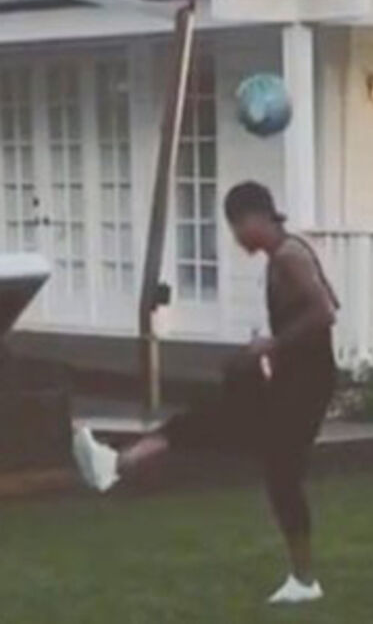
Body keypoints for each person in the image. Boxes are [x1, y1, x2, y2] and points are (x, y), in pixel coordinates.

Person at [71, 181, 340, 605]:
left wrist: (273, 344)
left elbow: (325, 311)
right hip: (292, 380)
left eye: (235, 227)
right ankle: (116, 463)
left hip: (308, 385)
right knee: (222, 427)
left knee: (278, 473)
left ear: (255, 218)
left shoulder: (290, 255)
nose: (236, 238)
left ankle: (305, 581)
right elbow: (321, 305)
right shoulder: (285, 256)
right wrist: (268, 354)